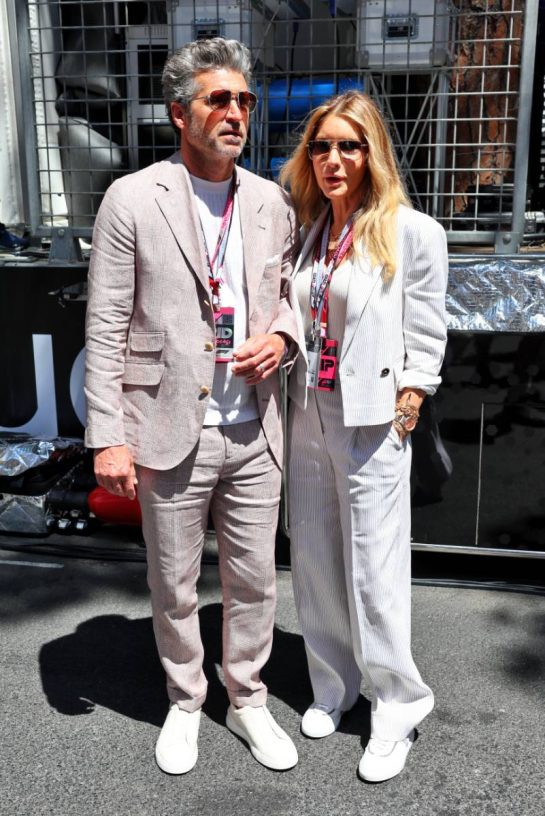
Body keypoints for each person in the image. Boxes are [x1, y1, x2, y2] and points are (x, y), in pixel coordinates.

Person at [84, 38, 300, 774]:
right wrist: (108, 437)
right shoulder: (132, 197)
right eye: (218, 99)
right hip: (167, 427)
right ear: (180, 113)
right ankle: (184, 701)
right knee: (173, 583)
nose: (235, 112)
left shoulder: (271, 199)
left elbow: (294, 301)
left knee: (255, 580)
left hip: (253, 426)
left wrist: (282, 337)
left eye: (243, 100)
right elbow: (107, 321)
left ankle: (246, 699)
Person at [280, 90, 448, 782]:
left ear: (372, 152)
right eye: (320, 146)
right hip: (306, 410)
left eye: (348, 145)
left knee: (375, 572)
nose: (332, 159)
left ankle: (397, 704)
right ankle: (332, 685)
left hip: (372, 418)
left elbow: (425, 336)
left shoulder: (412, 231)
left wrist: (402, 414)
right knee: (314, 558)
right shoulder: (306, 230)